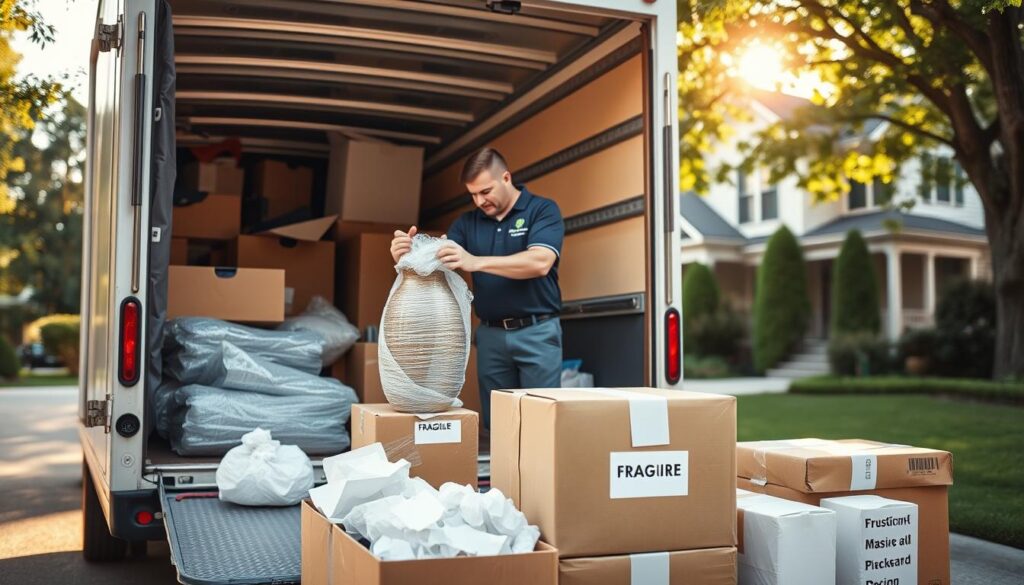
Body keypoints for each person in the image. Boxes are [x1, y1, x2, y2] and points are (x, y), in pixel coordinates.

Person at [390, 147, 564, 429]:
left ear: (506, 177)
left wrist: (474, 261)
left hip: (537, 333)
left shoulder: (542, 210)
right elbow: (440, 256)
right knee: (498, 424)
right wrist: (408, 254)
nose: (479, 200)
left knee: (542, 422)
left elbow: (541, 261)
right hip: (491, 337)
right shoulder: (467, 223)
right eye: (473, 194)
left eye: (485, 191)